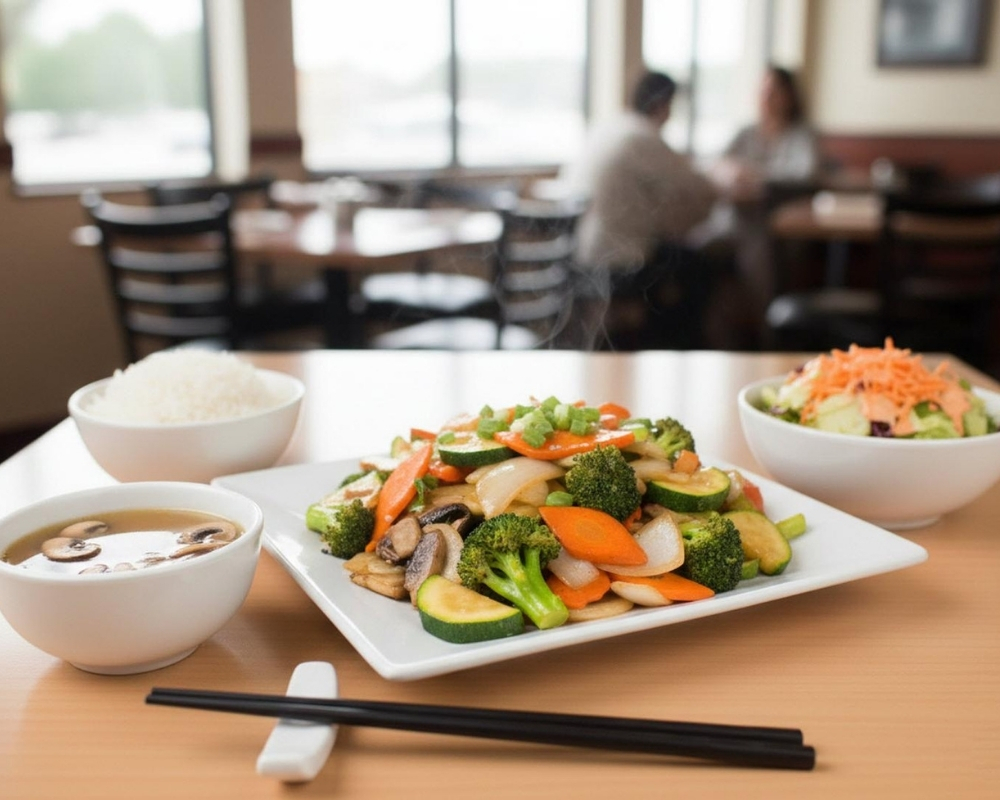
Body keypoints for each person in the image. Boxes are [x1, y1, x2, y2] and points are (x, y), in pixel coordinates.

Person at [560, 70, 717, 350]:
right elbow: (698, 187)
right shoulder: (643, 136)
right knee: (702, 266)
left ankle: (655, 345)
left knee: (682, 259)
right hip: (618, 262)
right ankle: (677, 350)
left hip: (579, 257)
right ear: (663, 104)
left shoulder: (607, 127)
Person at [696, 65, 821, 347]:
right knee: (692, 250)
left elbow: (804, 177)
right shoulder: (745, 133)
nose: (766, 97)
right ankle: (709, 336)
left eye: (773, 91)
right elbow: (716, 166)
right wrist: (730, 174)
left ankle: (767, 338)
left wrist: (754, 178)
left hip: (774, 227)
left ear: (789, 96)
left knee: (756, 244)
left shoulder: (801, 135)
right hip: (730, 221)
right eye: (762, 90)